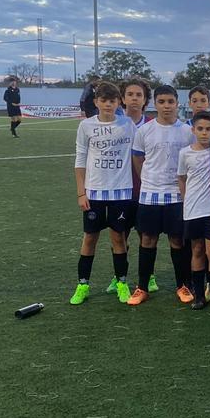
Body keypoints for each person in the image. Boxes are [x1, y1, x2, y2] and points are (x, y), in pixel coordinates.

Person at [69, 81, 138, 306]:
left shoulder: (128, 124)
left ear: (119, 102)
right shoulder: (86, 126)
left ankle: (121, 283)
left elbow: (140, 151)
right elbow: (80, 159)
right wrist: (81, 192)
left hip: (121, 192)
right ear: (96, 101)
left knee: (119, 238)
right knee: (90, 238)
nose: (108, 104)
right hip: (94, 193)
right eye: (104, 100)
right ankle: (83, 285)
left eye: (113, 100)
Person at [128, 85, 195, 306]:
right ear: (155, 104)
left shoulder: (187, 131)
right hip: (150, 194)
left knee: (177, 240)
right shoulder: (144, 131)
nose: (166, 106)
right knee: (148, 239)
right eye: (162, 102)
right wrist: (148, 180)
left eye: (170, 102)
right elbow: (138, 158)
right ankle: (142, 287)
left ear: (177, 103)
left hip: (176, 194)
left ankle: (182, 285)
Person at [106, 78, 155, 296]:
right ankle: (119, 277)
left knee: (146, 235)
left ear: (145, 100)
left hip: (145, 189)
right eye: (130, 94)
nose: (134, 99)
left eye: (139, 95)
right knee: (119, 235)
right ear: (122, 98)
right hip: (119, 190)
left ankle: (149, 275)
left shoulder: (153, 124)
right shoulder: (112, 124)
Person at [177, 111, 210, 310]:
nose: (204, 133)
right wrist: (186, 199)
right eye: (200, 129)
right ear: (193, 130)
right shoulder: (185, 153)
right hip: (193, 210)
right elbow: (181, 178)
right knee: (196, 250)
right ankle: (198, 296)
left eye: (208, 129)